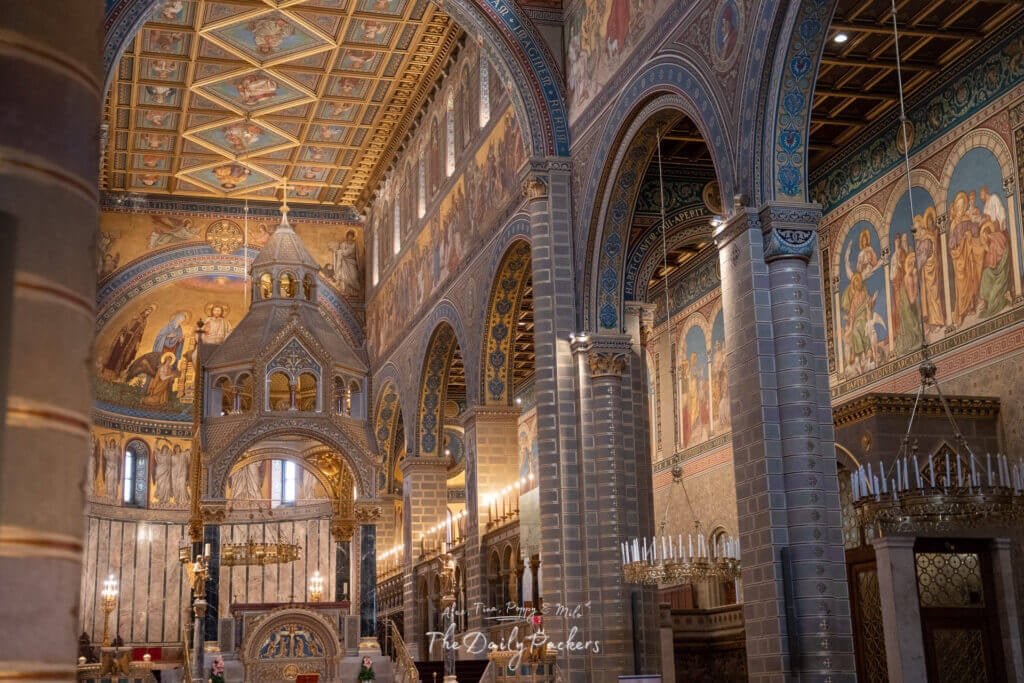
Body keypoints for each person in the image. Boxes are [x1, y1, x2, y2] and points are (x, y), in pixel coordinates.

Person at [102, 305, 154, 379]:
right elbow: (126, 326)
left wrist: (137, 343)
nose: (148, 313)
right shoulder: (136, 316)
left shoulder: (145, 322)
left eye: (149, 312)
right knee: (116, 353)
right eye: (148, 311)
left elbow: (140, 334)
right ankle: (108, 370)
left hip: (132, 341)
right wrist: (122, 336)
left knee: (126, 356)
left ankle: (116, 373)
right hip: (126, 336)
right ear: (145, 310)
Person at [334, 230, 362, 294]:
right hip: (345, 262)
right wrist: (340, 252)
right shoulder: (343, 244)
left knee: (354, 277)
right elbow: (341, 253)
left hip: (352, 262)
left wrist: (358, 265)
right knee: (345, 277)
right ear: (347, 236)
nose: (350, 237)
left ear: (353, 236)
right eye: (349, 236)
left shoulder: (355, 245)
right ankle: (346, 292)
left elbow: (357, 254)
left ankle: (354, 292)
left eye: (352, 236)